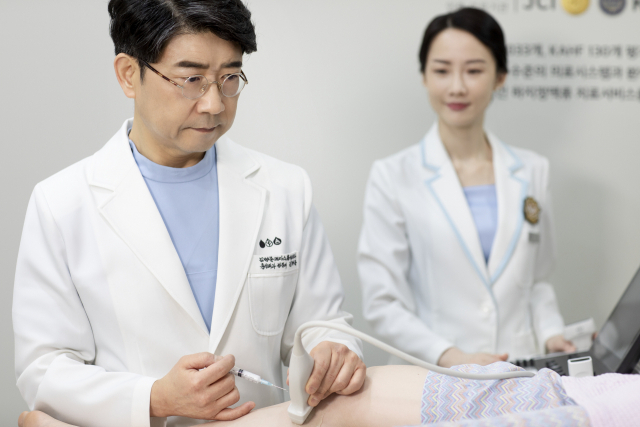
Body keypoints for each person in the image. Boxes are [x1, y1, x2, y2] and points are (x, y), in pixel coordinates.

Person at [12, 1, 365, 426]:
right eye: (192, 79)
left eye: (229, 77)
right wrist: (155, 398)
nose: (214, 103)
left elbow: (322, 323)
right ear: (129, 74)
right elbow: (44, 369)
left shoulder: (285, 189)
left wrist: (334, 351)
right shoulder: (62, 203)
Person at [357, 7, 575, 369]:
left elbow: (537, 282)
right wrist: (453, 357)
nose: (457, 86)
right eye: (441, 70)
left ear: (500, 77)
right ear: (424, 76)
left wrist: (552, 334)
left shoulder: (533, 170)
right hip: (434, 373)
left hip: (518, 371)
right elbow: (383, 303)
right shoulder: (392, 176)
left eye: (474, 70)